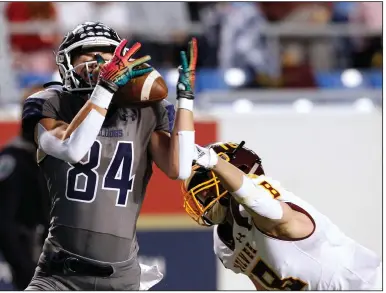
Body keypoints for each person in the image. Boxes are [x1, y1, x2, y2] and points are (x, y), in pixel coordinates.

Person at [21, 21, 197, 290]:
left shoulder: (147, 109)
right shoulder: (51, 102)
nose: (100, 60)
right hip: (59, 274)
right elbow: (73, 149)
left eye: (107, 54)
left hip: (121, 277)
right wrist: (105, 89)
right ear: (67, 62)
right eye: (89, 54)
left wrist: (186, 100)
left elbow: (180, 169)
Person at [182, 142, 382, 290]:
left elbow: (268, 211)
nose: (202, 197)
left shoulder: (261, 197)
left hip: (364, 284)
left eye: (204, 187)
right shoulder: (223, 240)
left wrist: (213, 161)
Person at [0, 86, 50, 290]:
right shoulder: (13, 158)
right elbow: (5, 223)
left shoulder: (57, 154)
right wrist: (26, 270)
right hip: (31, 259)